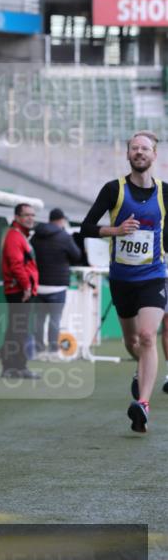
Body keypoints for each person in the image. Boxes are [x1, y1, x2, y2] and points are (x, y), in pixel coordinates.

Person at [80, 131, 168, 433]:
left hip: (154, 276)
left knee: (147, 336)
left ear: (155, 155)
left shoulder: (164, 193)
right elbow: (86, 227)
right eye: (134, 148)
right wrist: (115, 231)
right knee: (133, 343)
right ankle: (140, 370)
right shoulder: (113, 189)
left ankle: (142, 404)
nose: (139, 152)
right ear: (128, 155)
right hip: (122, 279)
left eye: (145, 148)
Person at [31, 207, 83, 359]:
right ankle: (53, 351)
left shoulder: (35, 236)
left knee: (39, 319)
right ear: (61, 220)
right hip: (57, 285)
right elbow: (77, 255)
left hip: (38, 285)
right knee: (55, 319)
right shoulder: (64, 236)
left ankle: (38, 350)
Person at [0, 202, 40, 378]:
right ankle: (15, 367)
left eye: (32, 215)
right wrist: (26, 287)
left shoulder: (19, 235)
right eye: (26, 215)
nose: (30, 218)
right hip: (19, 290)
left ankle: (14, 367)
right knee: (18, 331)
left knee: (17, 330)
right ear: (17, 217)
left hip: (20, 289)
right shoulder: (15, 237)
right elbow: (16, 266)